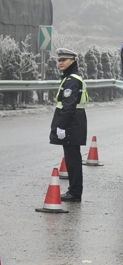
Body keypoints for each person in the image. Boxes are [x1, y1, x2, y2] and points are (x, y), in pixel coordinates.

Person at [48, 47, 89, 202]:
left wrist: (61, 127)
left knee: (73, 160)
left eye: (63, 60)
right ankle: (74, 191)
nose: (60, 63)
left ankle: (74, 192)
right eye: (59, 60)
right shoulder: (70, 78)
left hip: (72, 124)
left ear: (72, 61)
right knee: (72, 158)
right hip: (74, 123)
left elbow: (69, 105)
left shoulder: (72, 80)